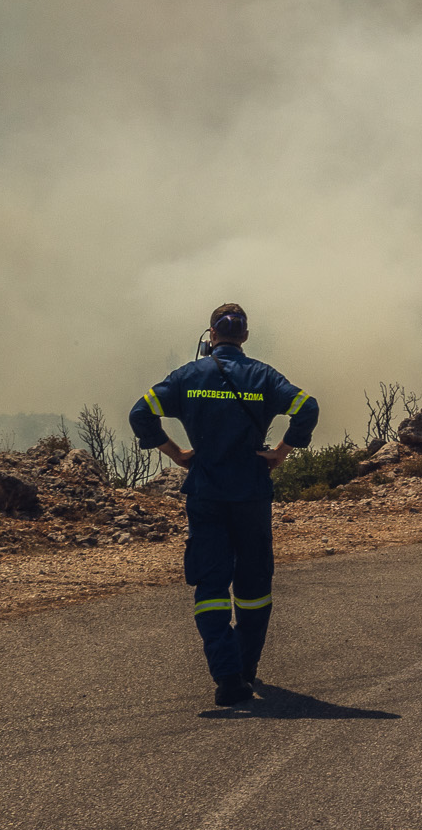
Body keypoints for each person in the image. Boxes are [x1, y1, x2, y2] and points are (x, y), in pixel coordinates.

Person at [129, 302, 319, 708]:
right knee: (254, 587)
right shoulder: (264, 376)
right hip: (251, 495)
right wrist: (282, 452)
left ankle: (227, 677)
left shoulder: (188, 376)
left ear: (211, 335)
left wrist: (177, 454)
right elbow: (307, 407)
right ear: (245, 336)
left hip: (207, 496)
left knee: (211, 586)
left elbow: (140, 413)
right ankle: (245, 668)